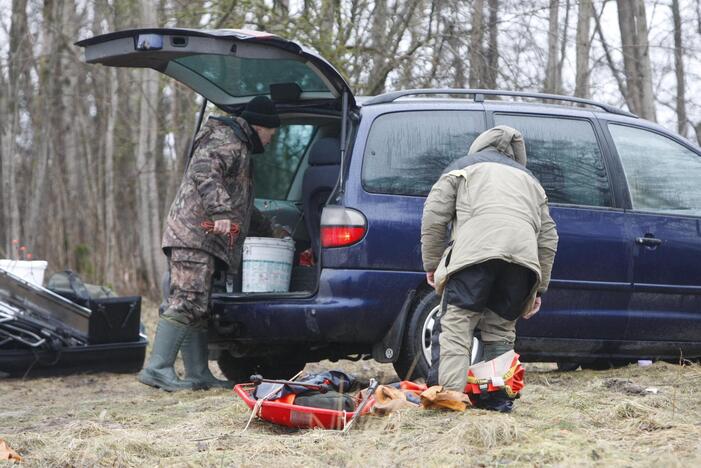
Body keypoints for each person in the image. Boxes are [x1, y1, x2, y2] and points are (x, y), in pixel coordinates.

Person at [138, 96, 281, 391]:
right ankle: (157, 368)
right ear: (259, 126)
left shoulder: (239, 147)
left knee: (199, 305)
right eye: (271, 133)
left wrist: (275, 233)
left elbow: (243, 207)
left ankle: (198, 373)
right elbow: (204, 172)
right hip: (193, 235)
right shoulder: (225, 139)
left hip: (204, 239)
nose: (270, 141)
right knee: (187, 299)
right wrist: (221, 212)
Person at [421, 125, 559, 394]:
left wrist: (433, 262)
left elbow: (434, 216)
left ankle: (450, 397)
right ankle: (496, 398)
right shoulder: (531, 182)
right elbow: (549, 237)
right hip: (522, 264)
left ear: (479, 146)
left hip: (474, 256)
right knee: (500, 330)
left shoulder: (461, 168)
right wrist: (538, 289)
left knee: (457, 325)